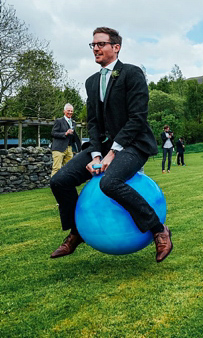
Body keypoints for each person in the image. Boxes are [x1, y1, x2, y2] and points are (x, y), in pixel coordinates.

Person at [49, 26, 172, 262]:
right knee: (59, 181)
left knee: (110, 182)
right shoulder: (91, 82)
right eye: (93, 44)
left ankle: (159, 230)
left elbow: (137, 118)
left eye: (101, 44)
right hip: (102, 147)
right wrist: (96, 154)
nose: (96, 48)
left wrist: (113, 153)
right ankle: (77, 232)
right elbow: (94, 122)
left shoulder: (132, 73)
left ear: (116, 47)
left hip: (134, 145)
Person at [50, 103, 81, 175]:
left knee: (69, 168)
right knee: (56, 168)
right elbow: (53, 133)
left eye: (71, 111)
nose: (70, 112)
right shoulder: (59, 121)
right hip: (58, 148)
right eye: (68, 110)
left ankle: (66, 185)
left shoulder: (73, 123)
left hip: (69, 148)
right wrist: (65, 133)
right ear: (64, 111)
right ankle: (55, 185)